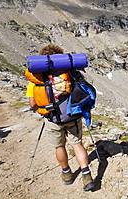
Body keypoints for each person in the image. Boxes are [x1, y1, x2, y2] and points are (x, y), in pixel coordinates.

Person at [26, 45, 94, 191]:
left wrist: (43, 111)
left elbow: (32, 103)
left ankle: (67, 174)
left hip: (52, 119)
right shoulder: (69, 72)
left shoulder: (37, 77)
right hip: (72, 116)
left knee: (59, 146)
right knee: (77, 144)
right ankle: (86, 174)